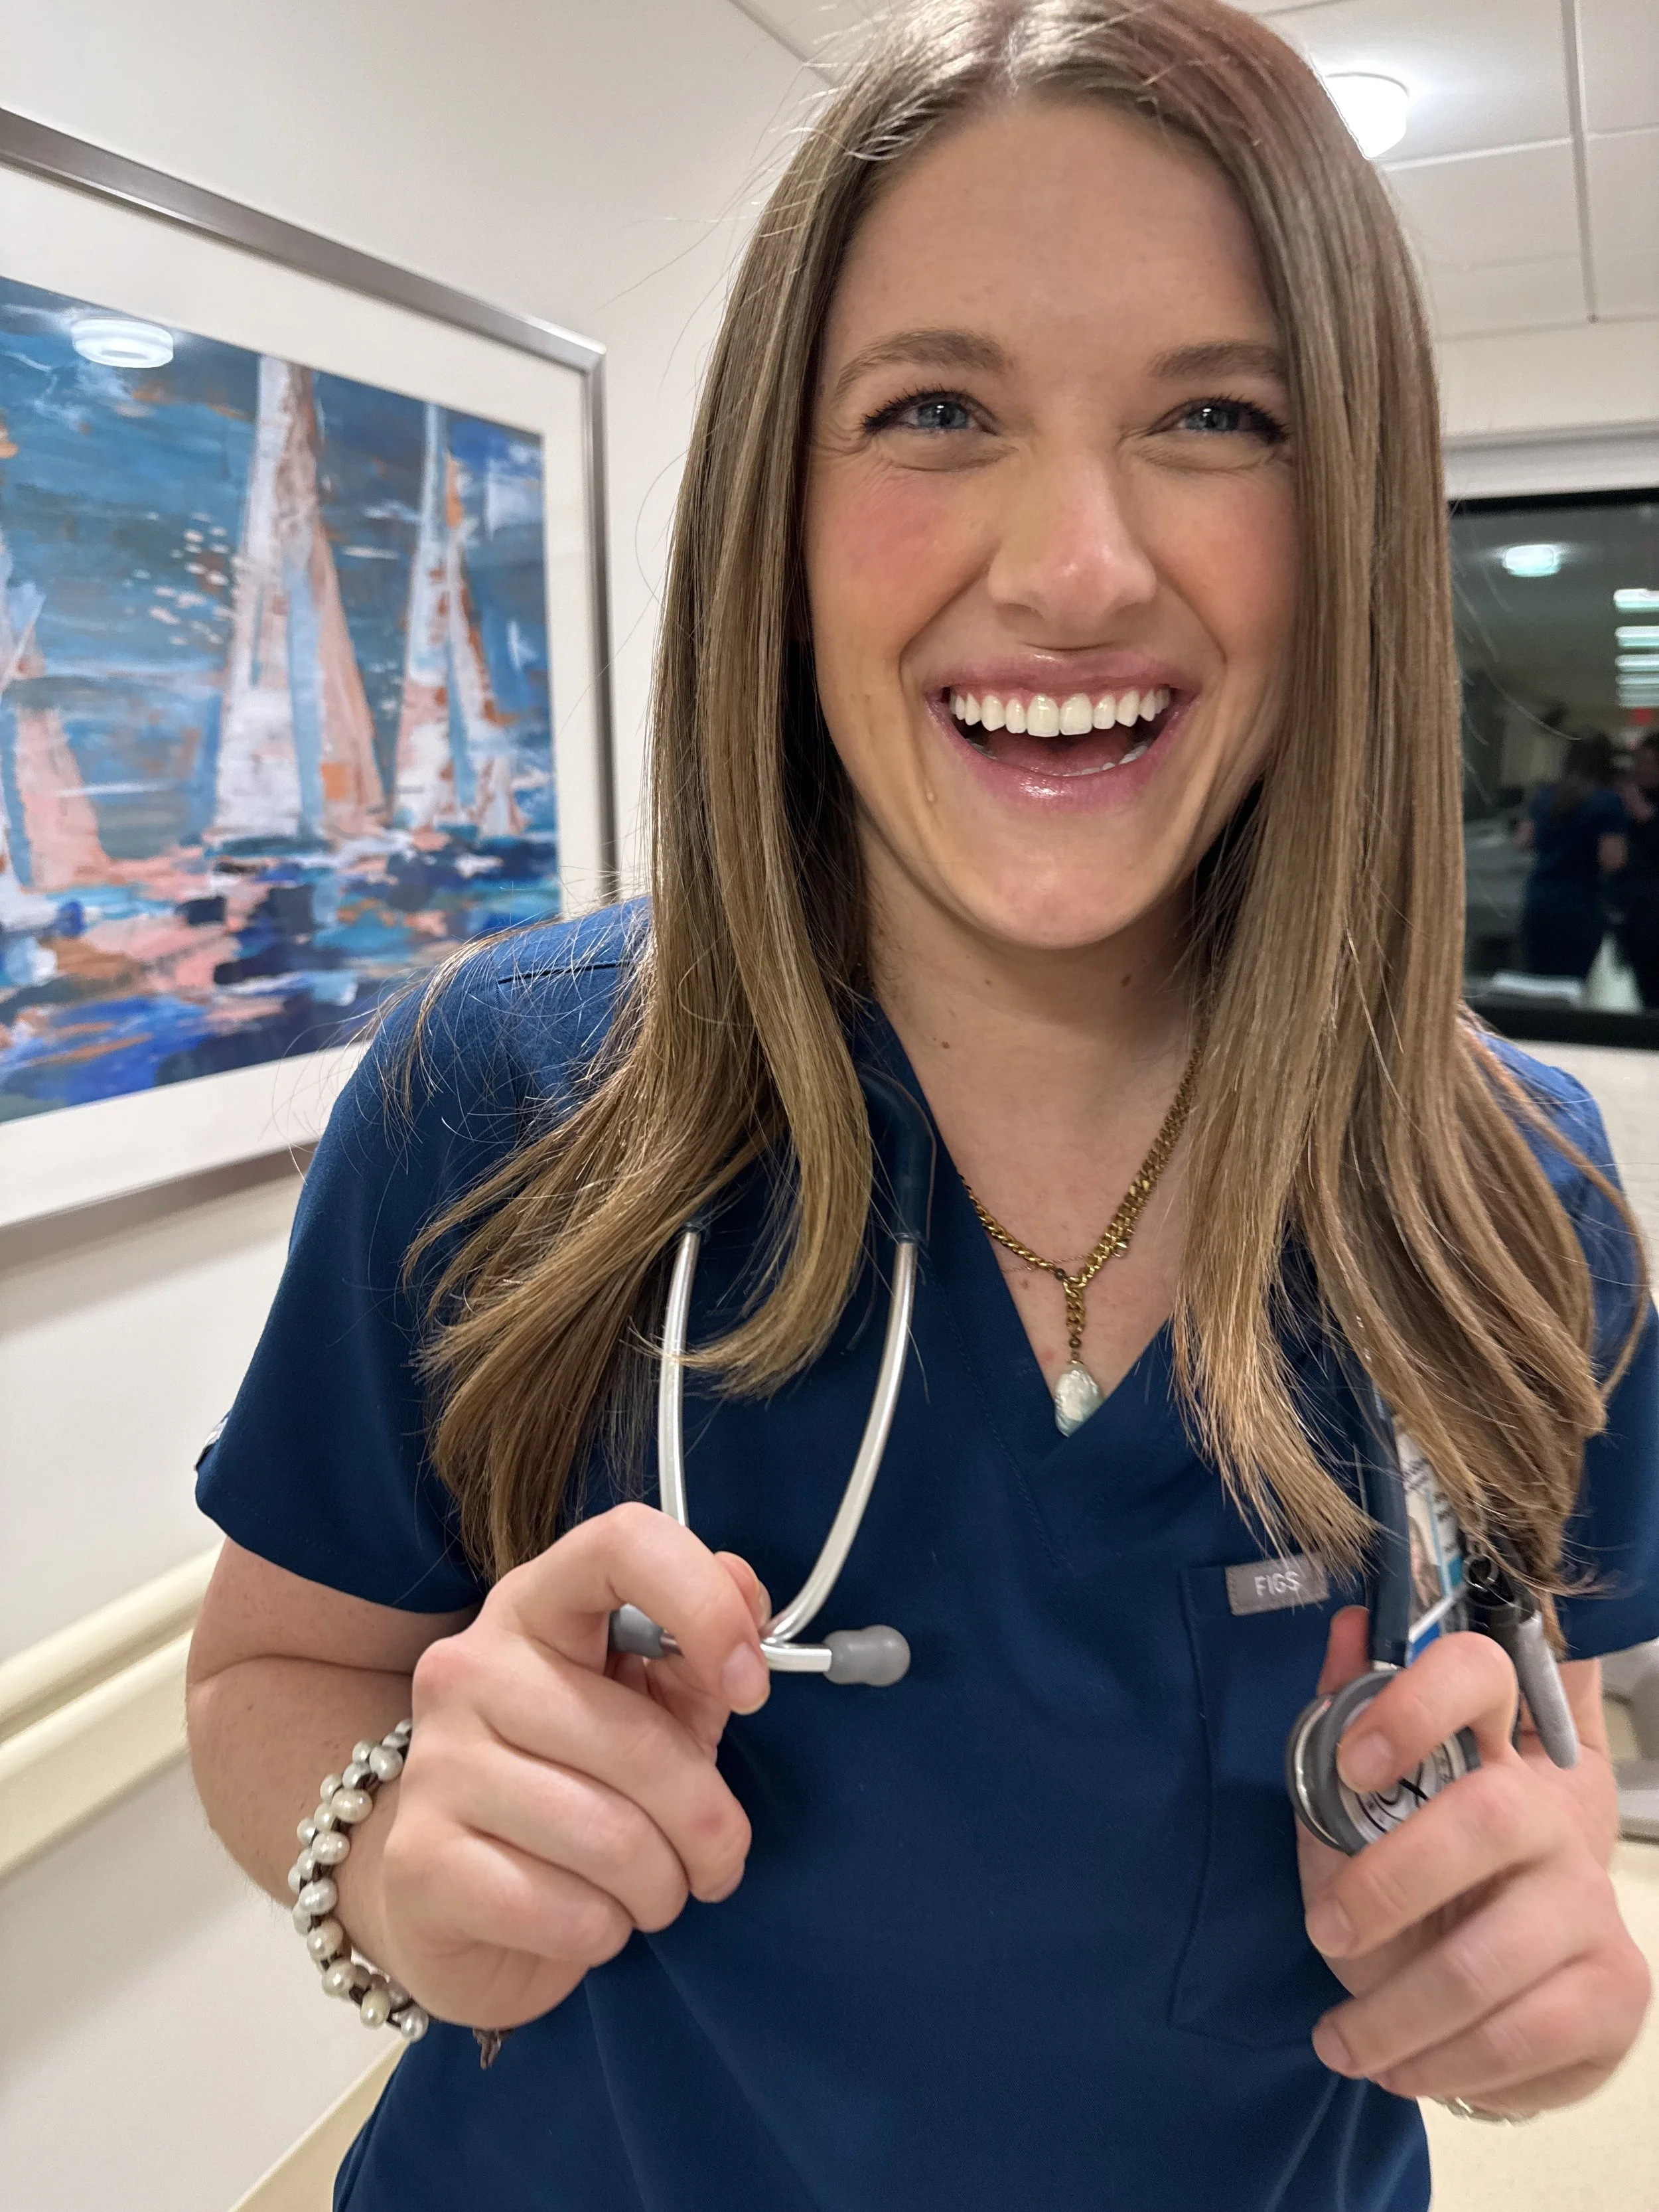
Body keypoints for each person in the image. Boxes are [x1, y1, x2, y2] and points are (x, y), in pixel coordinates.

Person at [185, 5, 1659, 2208]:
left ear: (1351, 511)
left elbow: (1589, 1703)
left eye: (1220, 415)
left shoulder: (1509, 1185)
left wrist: (1545, 1978)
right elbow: (279, 1663)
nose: (1076, 565)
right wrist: (385, 1856)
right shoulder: (498, 1091)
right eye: (937, 408)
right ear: (778, 508)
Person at [1515, 731, 1628, 982]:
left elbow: (1522, 841)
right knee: (1569, 985)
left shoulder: (1545, 795)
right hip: (1581, 906)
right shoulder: (1608, 802)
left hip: (1539, 900)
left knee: (1537, 980)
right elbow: (1613, 860)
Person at [1616, 731, 1659, 1008]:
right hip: (1636, 912)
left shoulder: (1639, 803)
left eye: (1645, 763)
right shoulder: (1628, 801)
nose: (1637, 770)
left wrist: (1638, 808)